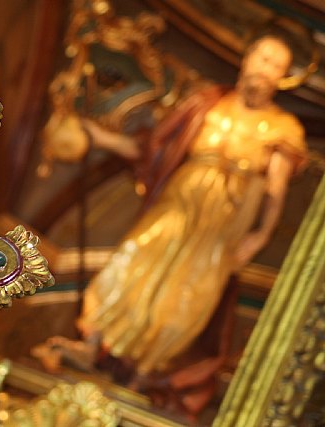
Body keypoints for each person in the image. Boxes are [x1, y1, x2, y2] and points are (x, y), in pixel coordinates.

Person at [33, 35, 307, 381]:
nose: (266, 70)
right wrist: (104, 139)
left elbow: (276, 189)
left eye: (277, 66)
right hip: (178, 201)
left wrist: (261, 235)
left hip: (222, 222)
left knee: (189, 292)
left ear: (283, 78)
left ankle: (146, 370)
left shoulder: (283, 128)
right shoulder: (208, 104)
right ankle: (93, 342)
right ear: (247, 59)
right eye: (264, 59)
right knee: (134, 258)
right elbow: (158, 148)